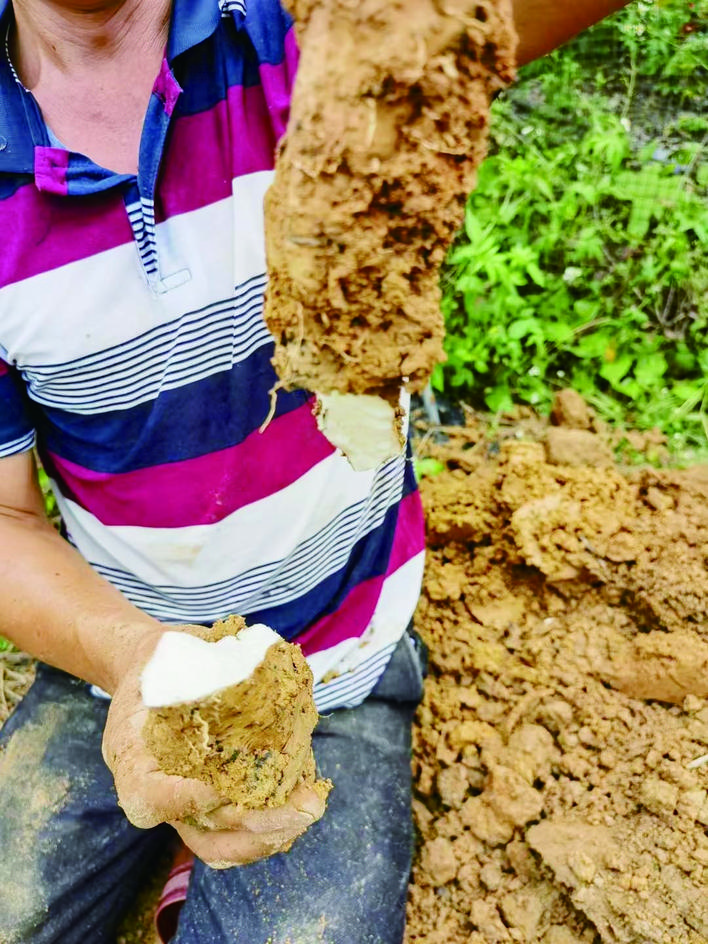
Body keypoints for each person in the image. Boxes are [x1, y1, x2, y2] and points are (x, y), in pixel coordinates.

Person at [0, 0, 630, 941]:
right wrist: (130, 658)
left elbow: (471, 19)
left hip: (340, 650)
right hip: (116, 645)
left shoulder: (291, 30)